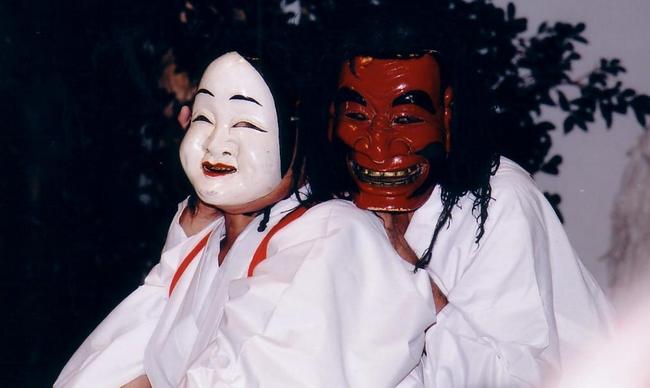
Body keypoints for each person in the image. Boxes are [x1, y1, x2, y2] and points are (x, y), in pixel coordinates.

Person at [56, 51, 435, 388]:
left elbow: (267, 369)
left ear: (301, 135)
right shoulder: (208, 243)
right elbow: (123, 346)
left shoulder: (333, 232)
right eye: (204, 118)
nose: (216, 142)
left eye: (246, 125)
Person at [327, 14, 614, 387]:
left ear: (446, 115)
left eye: (406, 119)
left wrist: (401, 263)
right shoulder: (331, 203)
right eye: (357, 117)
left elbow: (509, 379)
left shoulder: (498, 202)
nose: (378, 146)